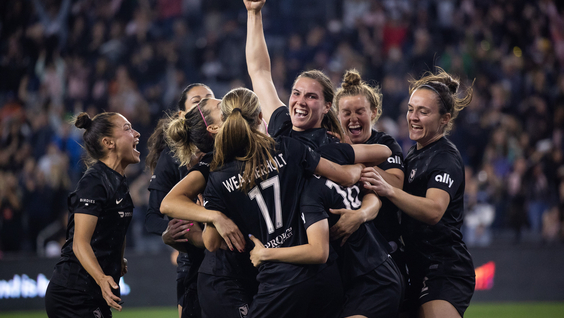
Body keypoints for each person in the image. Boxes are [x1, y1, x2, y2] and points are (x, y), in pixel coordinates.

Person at [201, 87, 368, 318]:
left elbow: (210, 243)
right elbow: (344, 176)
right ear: (260, 117)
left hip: (280, 281)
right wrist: (359, 168)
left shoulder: (218, 177)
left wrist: (212, 214)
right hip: (324, 275)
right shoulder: (288, 148)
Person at [361, 69, 475, 318]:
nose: (413, 117)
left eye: (423, 112)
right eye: (411, 109)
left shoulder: (445, 157)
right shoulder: (414, 154)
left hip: (443, 267)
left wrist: (389, 190)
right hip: (413, 266)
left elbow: (434, 210)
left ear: (445, 119)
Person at [45, 112, 140, 317]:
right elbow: (80, 243)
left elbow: (118, 226)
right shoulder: (94, 182)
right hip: (72, 294)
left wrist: (118, 258)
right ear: (108, 142)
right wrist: (102, 278)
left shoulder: (119, 182)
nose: (136, 134)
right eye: (127, 128)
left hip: (92, 293)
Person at [144, 83, 214, 318]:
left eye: (210, 98)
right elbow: (153, 217)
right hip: (193, 260)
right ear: (182, 115)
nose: (204, 103)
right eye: (196, 100)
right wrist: (170, 232)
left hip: (232, 254)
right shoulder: (173, 157)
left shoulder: (230, 147)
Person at [300, 176, 404, 318]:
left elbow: (319, 252)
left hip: (373, 279)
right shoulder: (340, 172)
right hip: (358, 277)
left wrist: (361, 214)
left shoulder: (312, 192)